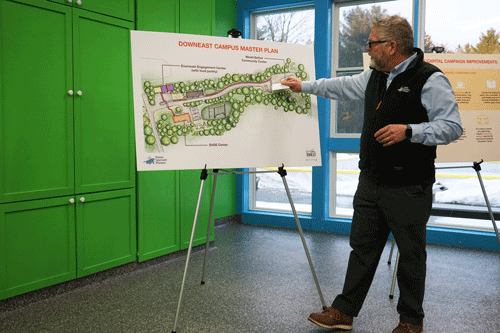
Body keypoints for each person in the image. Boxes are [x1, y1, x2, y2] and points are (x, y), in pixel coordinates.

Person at [282, 15, 462, 333]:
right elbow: (341, 87)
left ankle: (410, 322)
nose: (367, 48)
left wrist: (409, 131)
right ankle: (344, 312)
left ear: (391, 46)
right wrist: (304, 86)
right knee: (362, 248)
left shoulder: (430, 79)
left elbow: (451, 127)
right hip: (371, 181)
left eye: (372, 43)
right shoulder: (375, 75)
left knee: (410, 255)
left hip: (409, 185)